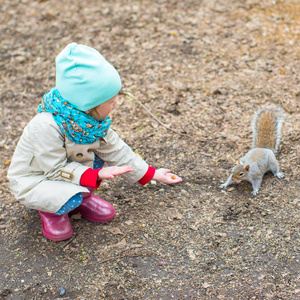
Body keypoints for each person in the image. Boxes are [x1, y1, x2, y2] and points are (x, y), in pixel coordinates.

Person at [7, 43, 182, 242]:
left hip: (69, 173)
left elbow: (117, 150)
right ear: (88, 104)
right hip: (39, 180)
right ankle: (52, 211)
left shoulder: (91, 123)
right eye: (110, 101)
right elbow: (55, 170)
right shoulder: (45, 126)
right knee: (70, 179)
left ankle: (82, 198)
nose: (116, 103)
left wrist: (152, 173)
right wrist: (96, 174)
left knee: (100, 151)